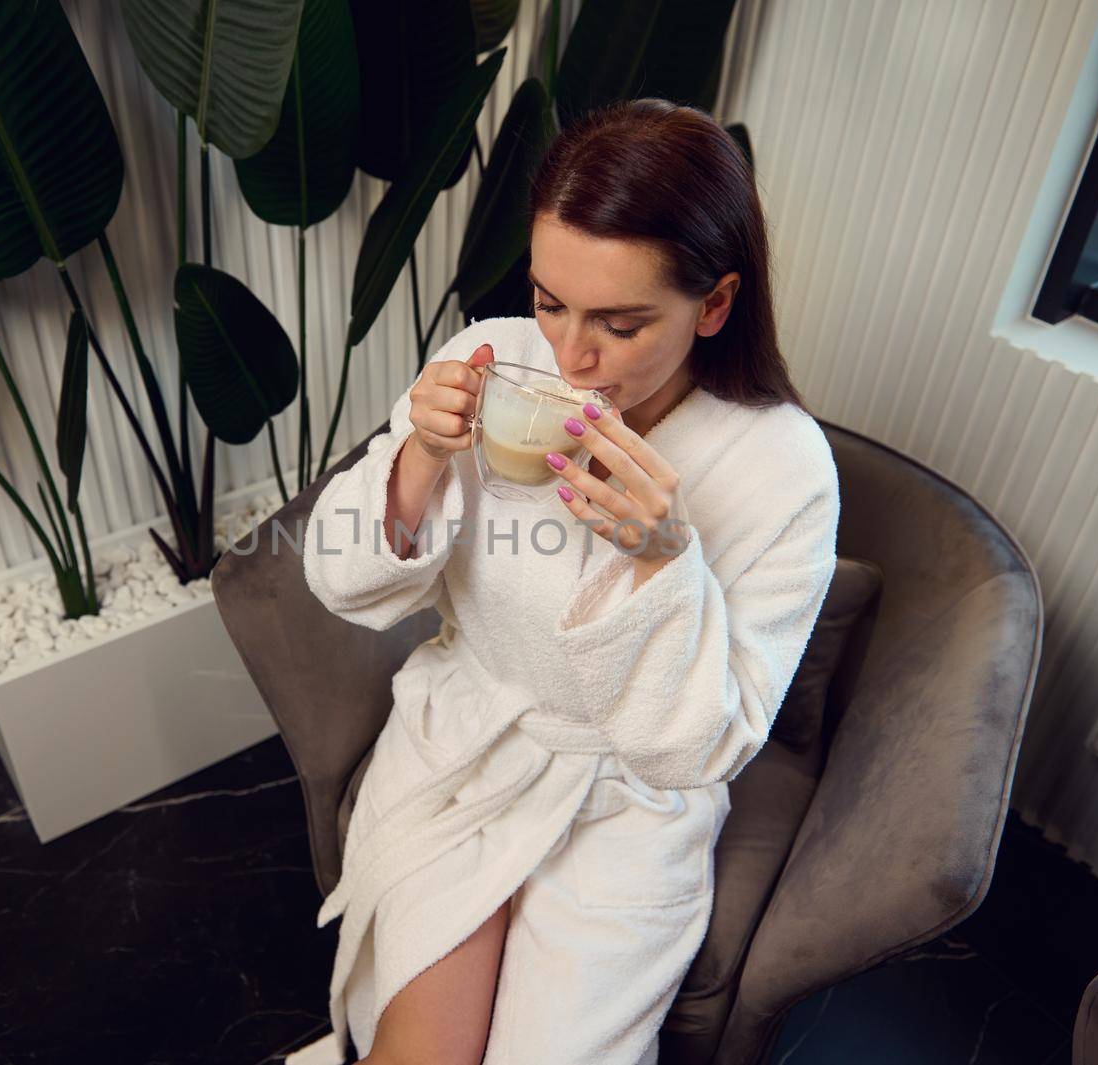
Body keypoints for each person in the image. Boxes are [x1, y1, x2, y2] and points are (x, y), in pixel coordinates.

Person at [301, 97, 840, 1065]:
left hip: (625, 806)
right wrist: (420, 455)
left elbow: (705, 745)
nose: (569, 355)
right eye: (550, 301)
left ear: (714, 305)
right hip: (463, 747)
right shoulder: (487, 361)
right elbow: (343, 584)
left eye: (621, 322)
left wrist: (660, 564)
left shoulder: (780, 467)